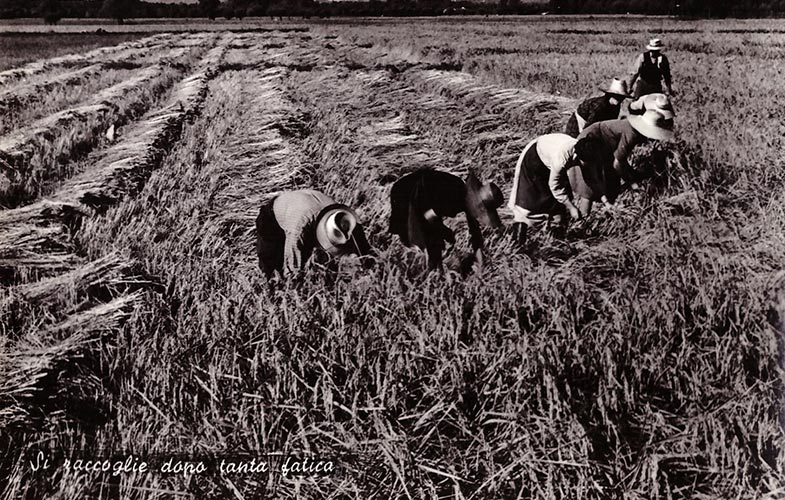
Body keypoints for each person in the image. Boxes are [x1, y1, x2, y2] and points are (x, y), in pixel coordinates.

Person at [389, 168, 503, 271]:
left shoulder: (468, 198)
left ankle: (430, 270)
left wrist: (481, 263)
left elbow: (475, 232)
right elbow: (428, 216)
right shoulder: (454, 194)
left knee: (430, 242)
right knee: (422, 241)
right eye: (481, 207)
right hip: (406, 192)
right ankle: (422, 273)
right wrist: (445, 232)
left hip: (422, 198)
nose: (480, 210)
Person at [569, 107, 675, 216]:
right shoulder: (631, 134)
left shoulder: (633, 130)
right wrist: (632, 183)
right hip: (589, 145)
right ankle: (583, 221)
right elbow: (617, 163)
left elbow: (620, 159)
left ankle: (611, 212)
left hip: (603, 148)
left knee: (611, 186)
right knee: (589, 189)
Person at [508, 133, 602, 245]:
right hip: (535, 159)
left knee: (558, 208)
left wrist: (604, 200)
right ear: (579, 158)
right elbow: (555, 186)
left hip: (552, 163)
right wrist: (571, 207)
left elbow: (590, 181)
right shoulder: (561, 158)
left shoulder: (586, 151)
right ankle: (517, 247)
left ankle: (556, 244)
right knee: (527, 206)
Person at [256, 189, 372, 277]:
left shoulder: (344, 220)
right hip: (273, 217)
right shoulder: (299, 230)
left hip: (305, 203)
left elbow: (364, 250)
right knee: (271, 265)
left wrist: (369, 268)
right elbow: (293, 270)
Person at [564, 78, 632, 138]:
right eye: (617, 97)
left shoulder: (616, 107)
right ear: (610, 95)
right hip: (579, 123)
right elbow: (589, 127)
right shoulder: (599, 106)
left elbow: (610, 124)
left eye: (621, 97)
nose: (620, 100)